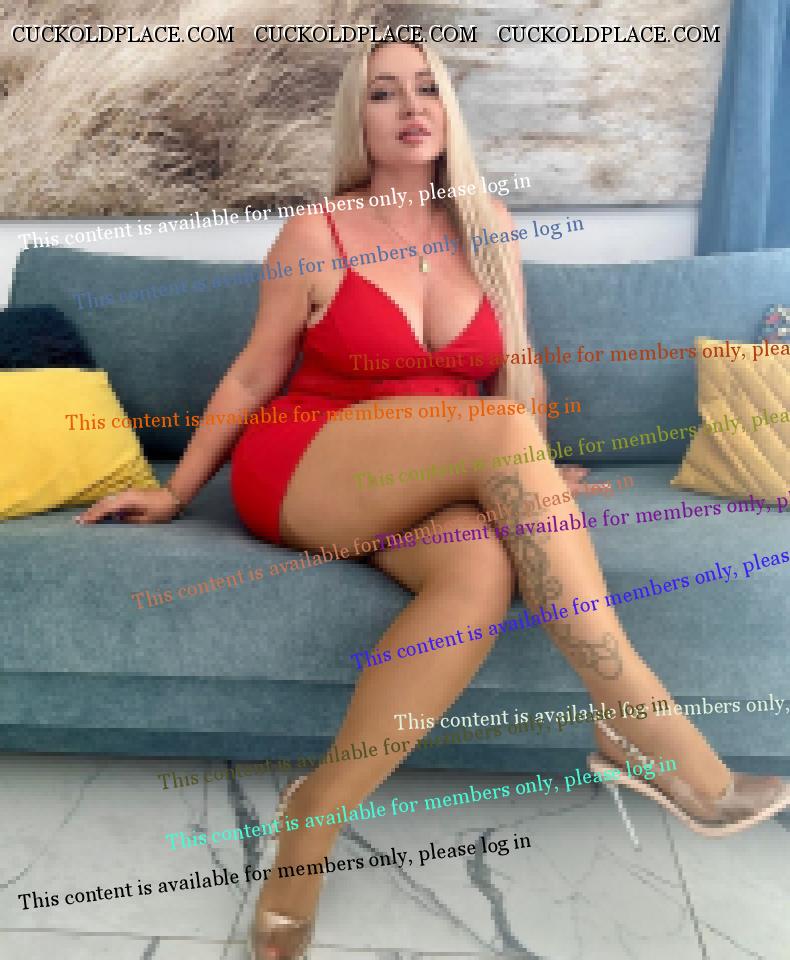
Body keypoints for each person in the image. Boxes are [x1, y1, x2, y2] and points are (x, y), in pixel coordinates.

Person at [79, 39, 790, 960]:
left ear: (449, 110)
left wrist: (530, 476)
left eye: (427, 88)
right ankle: (644, 725)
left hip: (436, 473)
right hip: (312, 462)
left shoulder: (487, 226)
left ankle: (312, 821)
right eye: (385, 92)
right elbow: (254, 373)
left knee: (482, 573)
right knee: (500, 432)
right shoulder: (317, 233)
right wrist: (177, 491)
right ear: (360, 119)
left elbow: (518, 367)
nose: (411, 105)